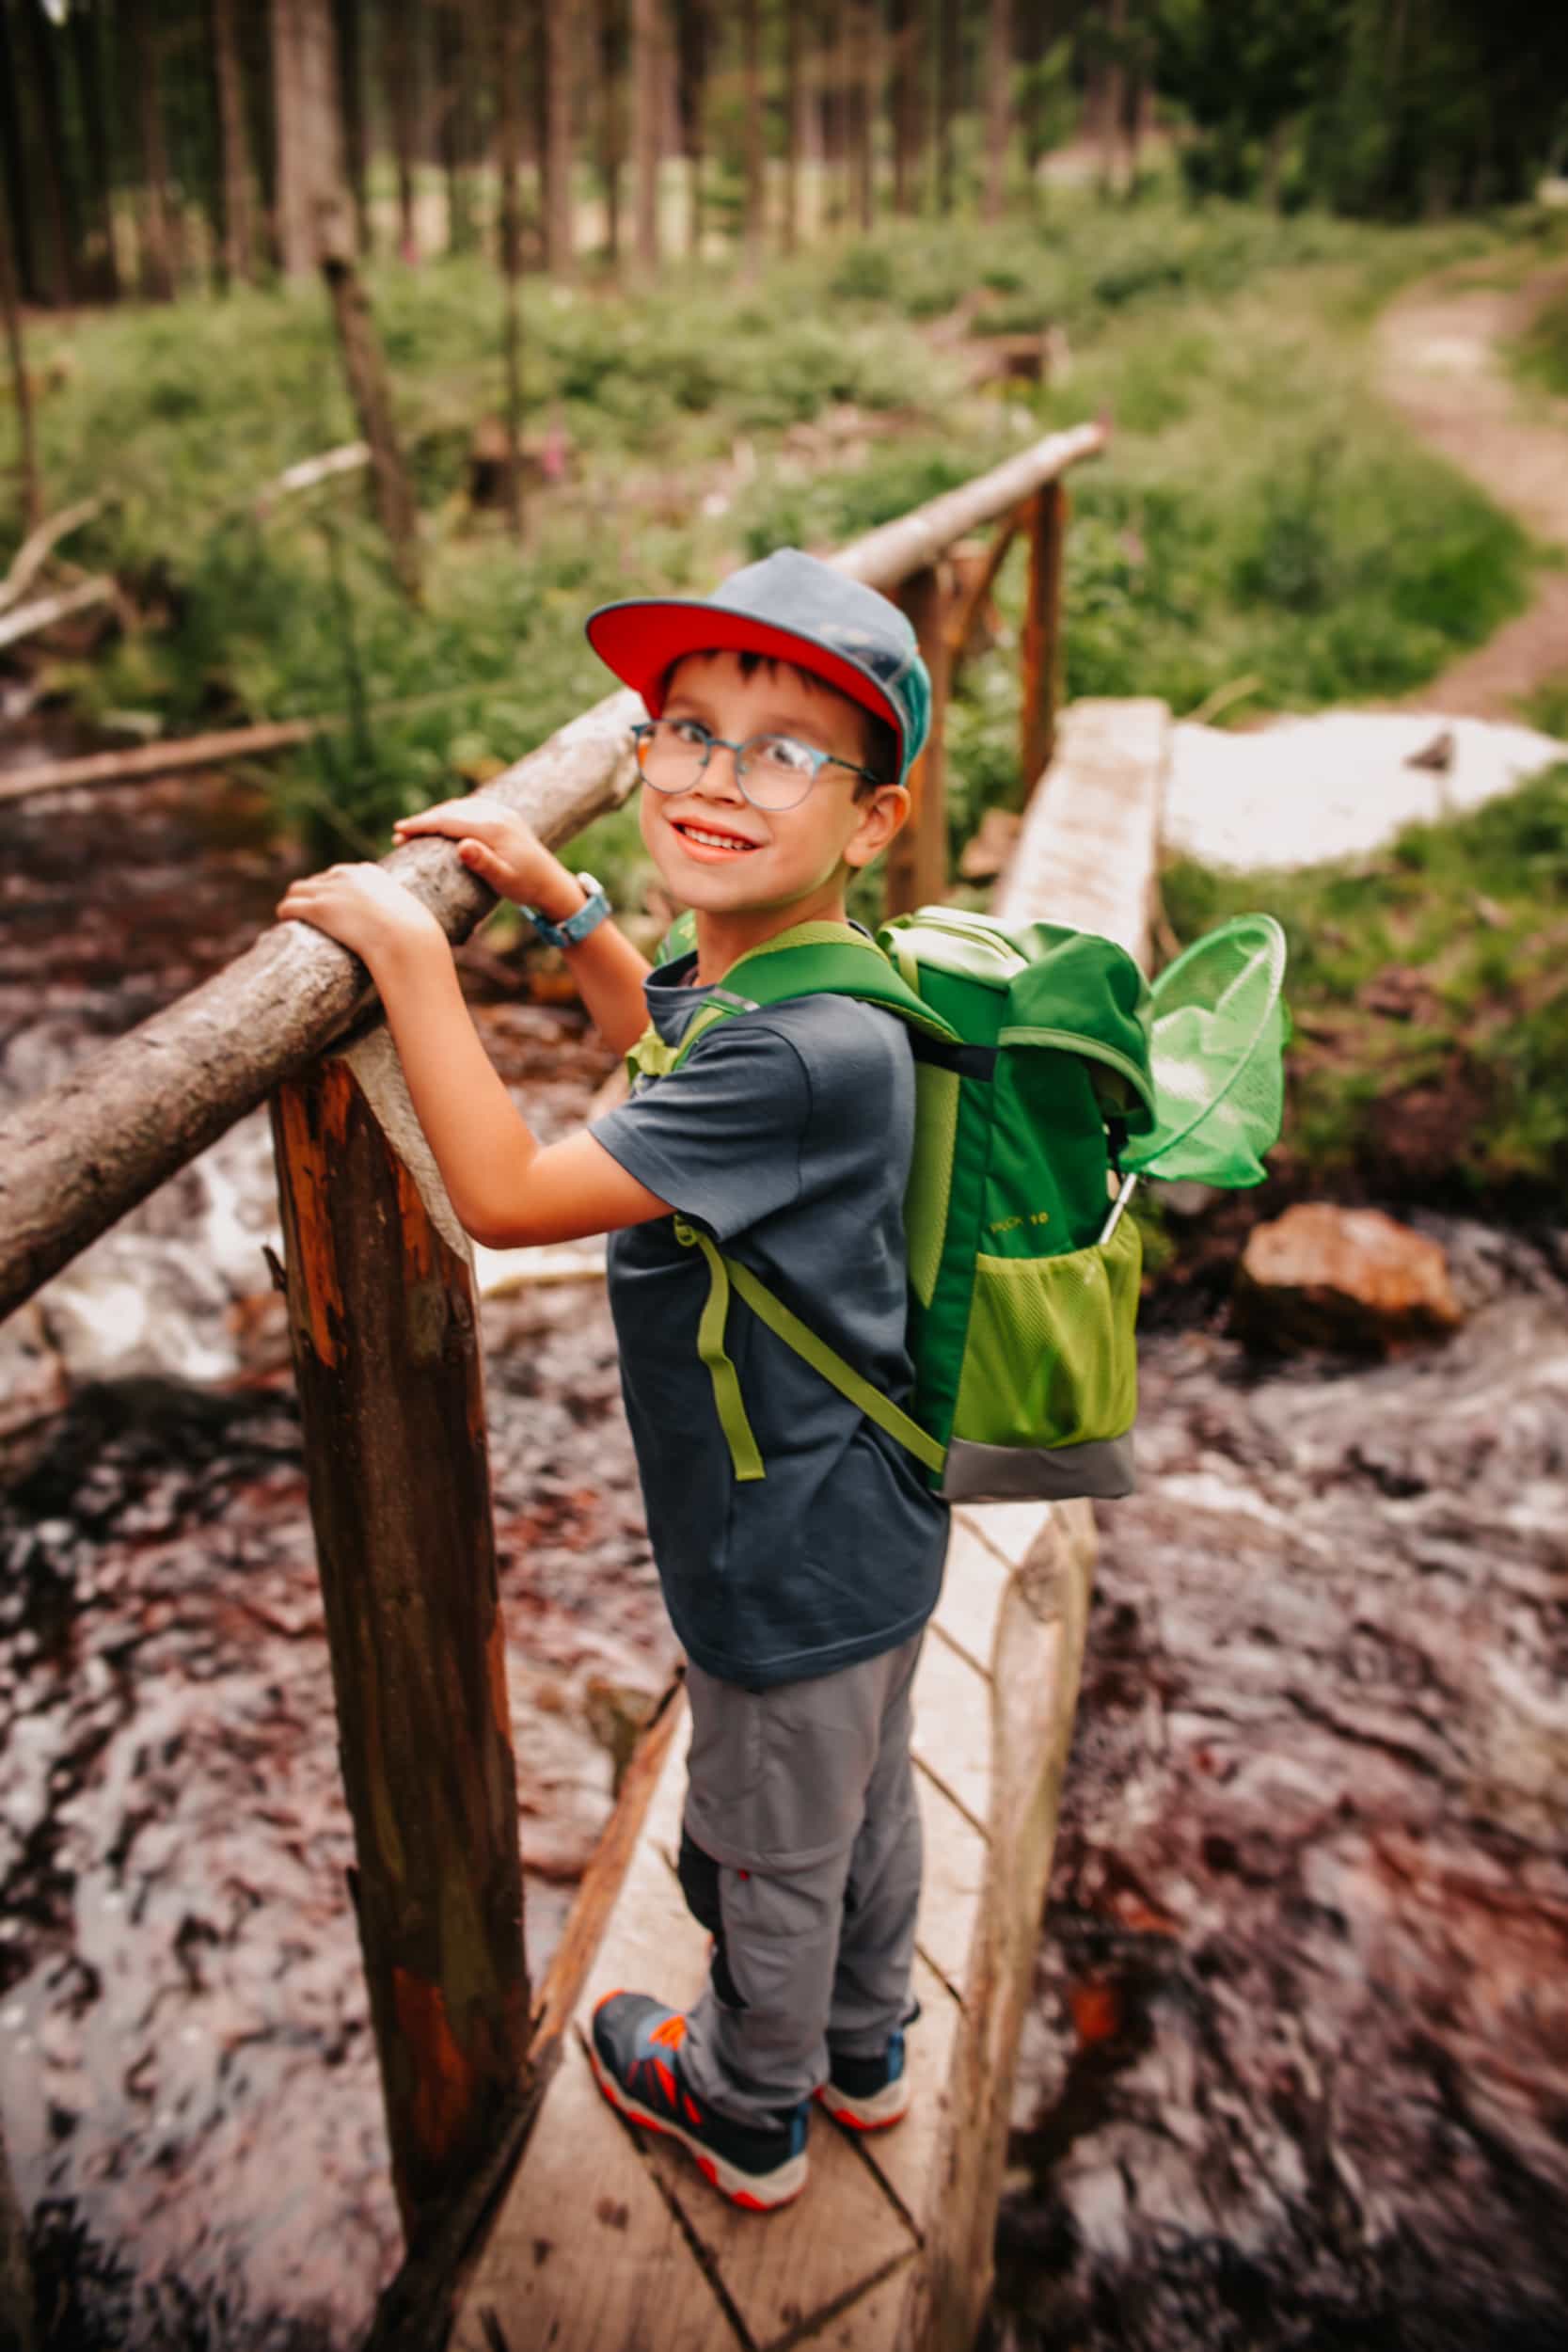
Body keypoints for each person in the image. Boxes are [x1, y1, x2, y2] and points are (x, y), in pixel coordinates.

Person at [273, 548, 951, 2213]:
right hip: (870, 1505)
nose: (720, 773)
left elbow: (507, 1199)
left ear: (874, 818)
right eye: (687, 729)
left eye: (785, 750)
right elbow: (671, 1047)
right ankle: (864, 2057)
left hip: (781, 1553)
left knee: (772, 1849)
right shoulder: (797, 977)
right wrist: (564, 907)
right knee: (860, 1806)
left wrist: (413, 960)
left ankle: (746, 2106)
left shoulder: (796, 1048)